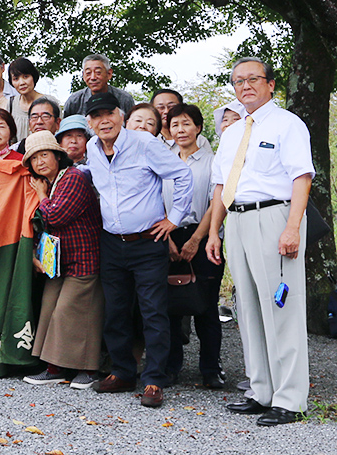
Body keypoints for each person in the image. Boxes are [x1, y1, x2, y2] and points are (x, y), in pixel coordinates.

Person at [206, 57, 313, 426]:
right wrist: (213, 231)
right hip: (236, 221)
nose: (245, 86)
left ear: (270, 85)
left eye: (253, 79)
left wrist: (292, 227)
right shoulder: (232, 132)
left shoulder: (288, 124)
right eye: (238, 81)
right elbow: (221, 184)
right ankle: (261, 389)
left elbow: (301, 177)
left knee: (281, 308)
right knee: (248, 308)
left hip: (274, 218)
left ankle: (290, 398)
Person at [84, 92, 193, 409]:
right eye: (96, 116)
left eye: (108, 114)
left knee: (153, 311)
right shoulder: (92, 147)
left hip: (148, 242)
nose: (103, 120)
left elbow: (182, 174)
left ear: (120, 115)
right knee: (115, 310)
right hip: (111, 242)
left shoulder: (145, 144)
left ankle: (155, 379)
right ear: (90, 122)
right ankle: (122, 371)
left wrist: (174, 218)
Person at [20, 132, 103, 390]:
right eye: (34, 159)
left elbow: (56, 216)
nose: (40, 162)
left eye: (44, 154)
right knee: (49, 309)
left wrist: (43, 196)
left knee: (74, 311)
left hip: (84, 257)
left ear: (58, 155)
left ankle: (89, 369)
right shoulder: (53, 181)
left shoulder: (74, 177)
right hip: (58, 261)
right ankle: (54, 367)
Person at [163, 104, 224, 390]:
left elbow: (217, 203)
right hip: (169, 236)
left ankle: (211, 369)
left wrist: (196, 239)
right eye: (175, 125)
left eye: (186, 124)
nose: (180, 130)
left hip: (205, 236)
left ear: (198, 127)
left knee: (207, 306)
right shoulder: (164, 160)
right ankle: (171, 367)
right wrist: (170, 241)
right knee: (171, 307)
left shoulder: (213, 161)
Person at [63, 54, 136, 117]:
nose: (93, 77)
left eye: (98, 72)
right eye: (88, 73)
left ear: (109, 74)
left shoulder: (124, 99)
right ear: (83, 76)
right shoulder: (74, 101)